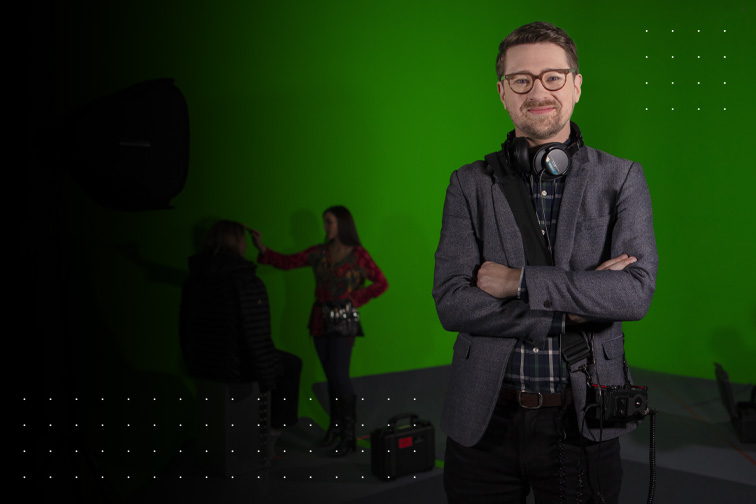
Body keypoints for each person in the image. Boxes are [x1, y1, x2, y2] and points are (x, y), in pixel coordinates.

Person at [432, 22, 658, 503]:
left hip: (583, 419)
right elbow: (452, 302)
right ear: (503, 92)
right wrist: (574, 307)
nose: (538, 91)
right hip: (484, 421)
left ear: (576, 85)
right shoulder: (469, 184)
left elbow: (635, 293)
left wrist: (519, 282)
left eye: (553, 77)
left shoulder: (621, 178)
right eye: (522, 80)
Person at [250, 205, 388, 456]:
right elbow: (288, 262)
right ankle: (335, 429)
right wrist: (262, 249)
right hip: (319, 319)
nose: (325, 227)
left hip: (343, 318)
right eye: (324, 222)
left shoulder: (358, 254)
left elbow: (381, 282)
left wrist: (355, 298)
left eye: (329, 222)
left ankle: (348, 436)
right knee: (331, 377)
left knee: (339, 377)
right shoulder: (319, 252)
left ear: (342, 224)